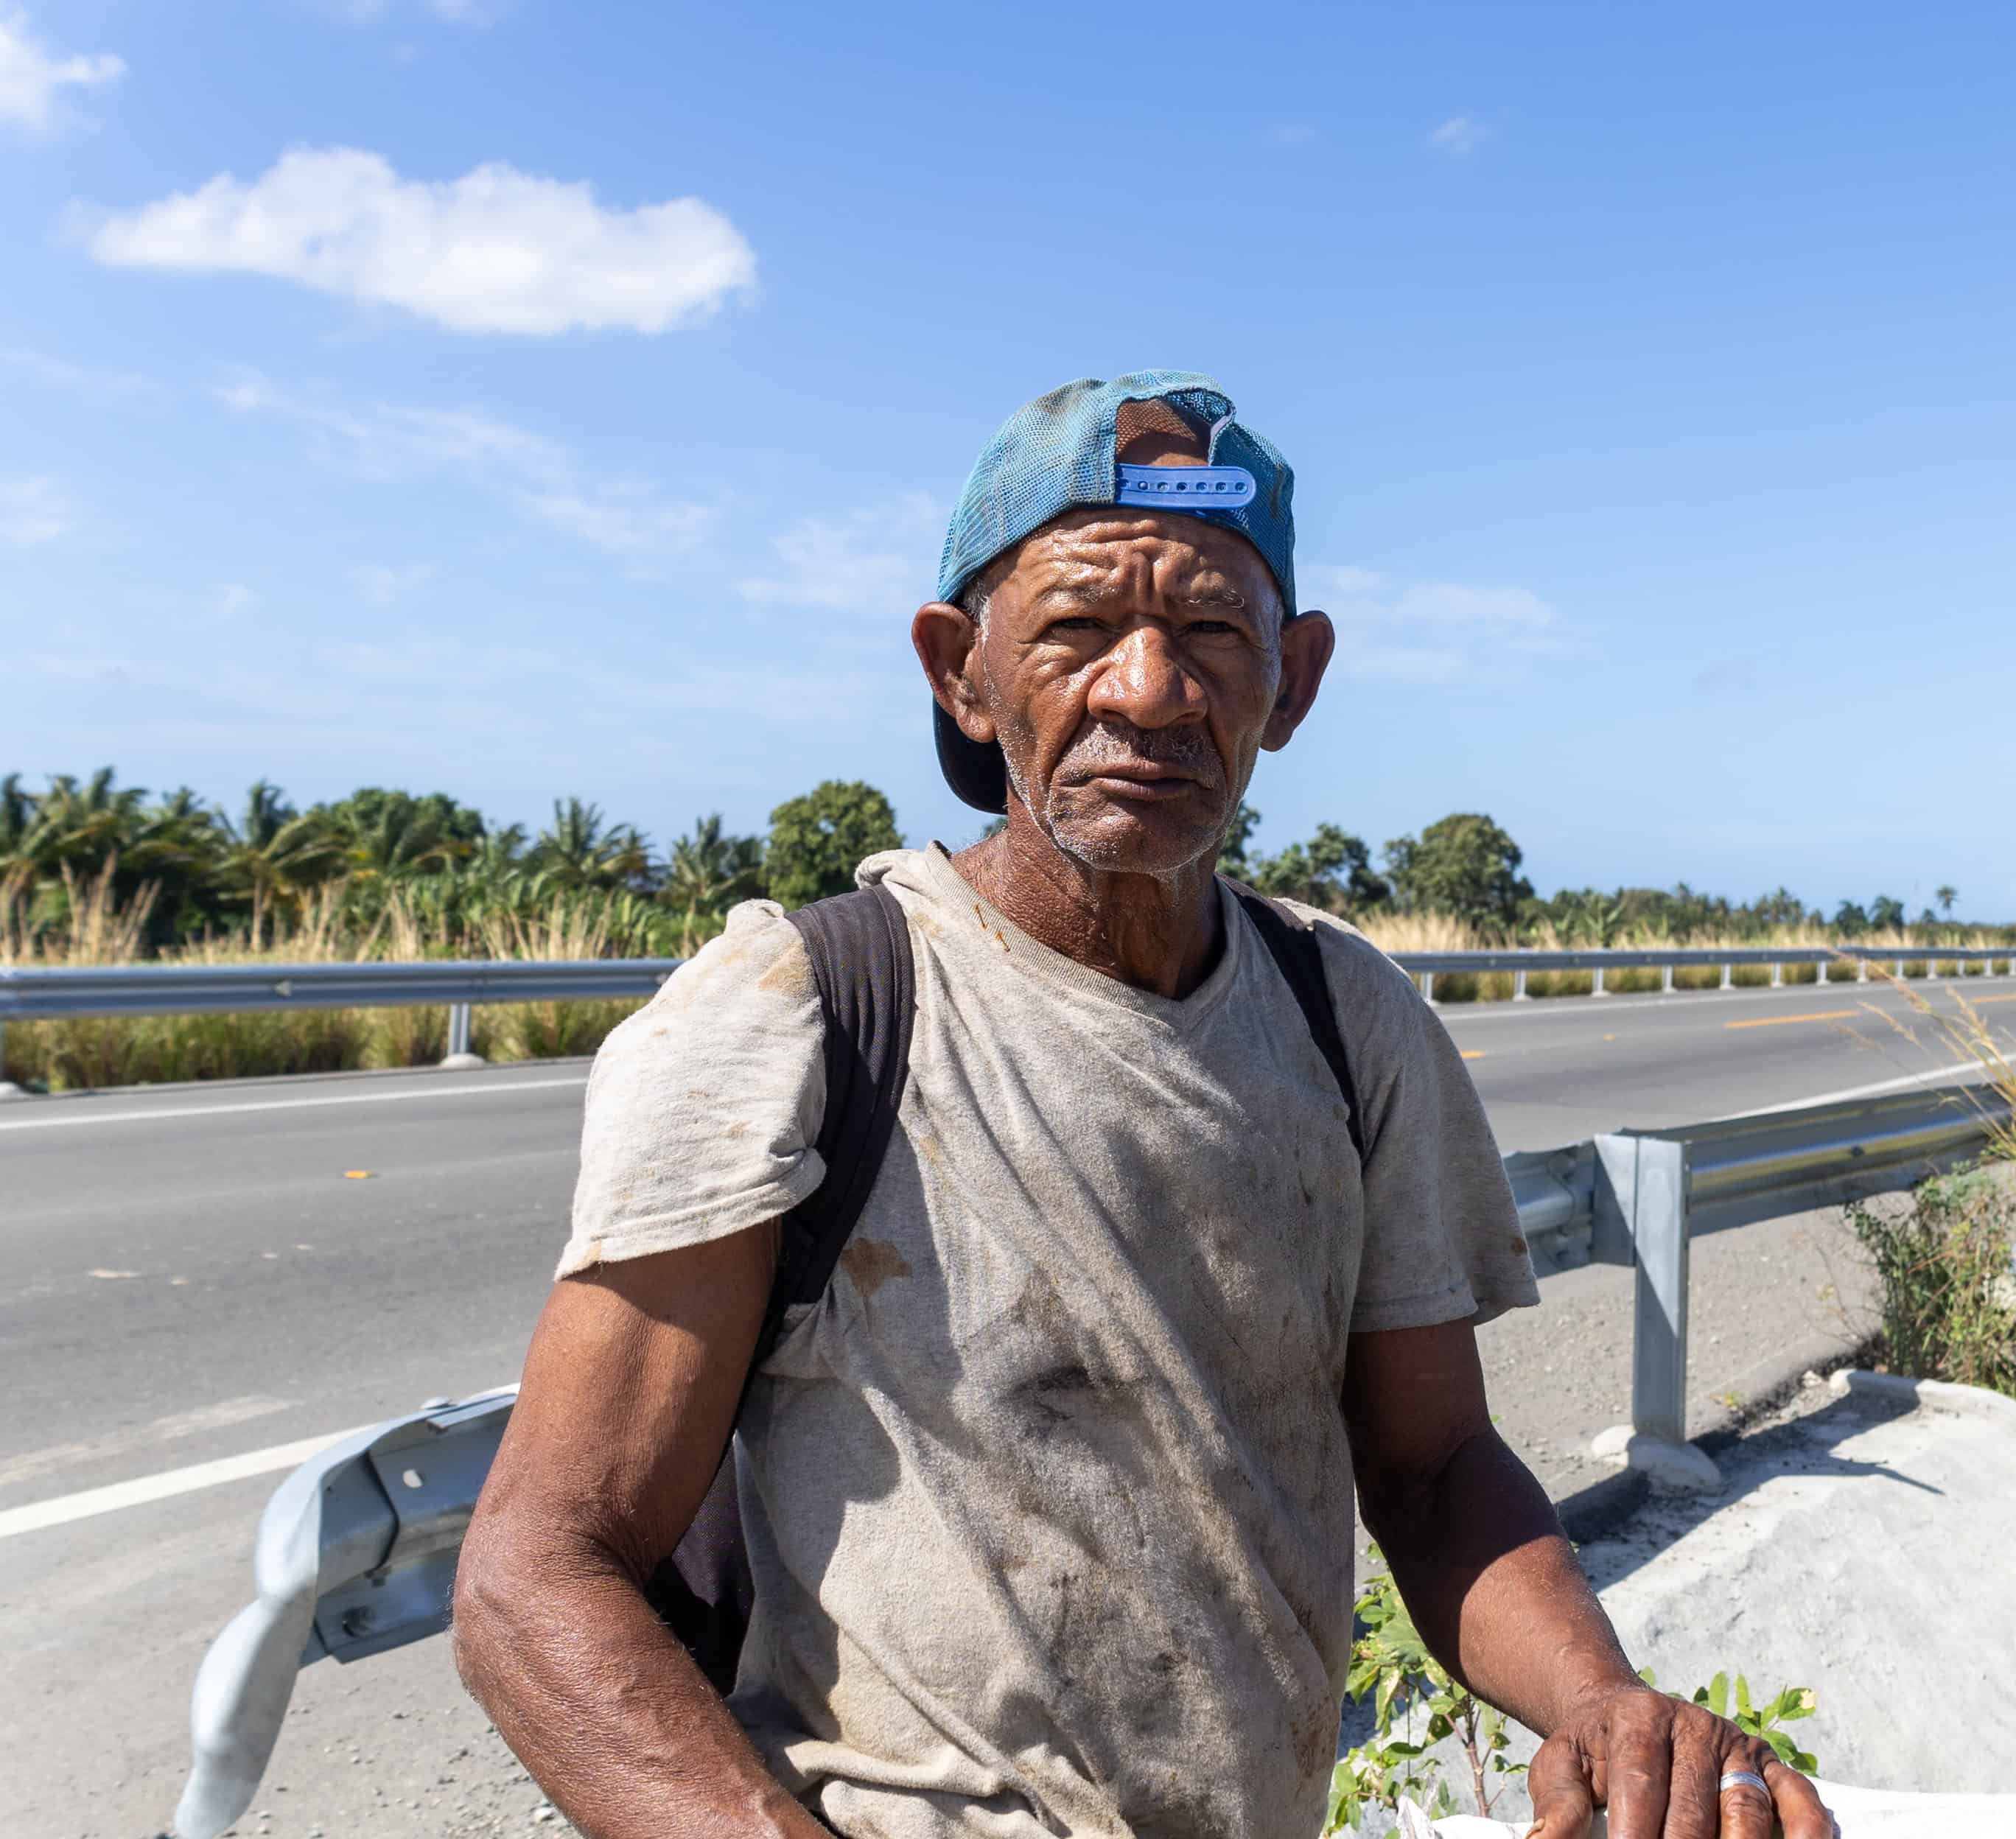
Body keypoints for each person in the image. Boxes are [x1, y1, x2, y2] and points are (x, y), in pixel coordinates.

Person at [451, 371, 1832, 1839]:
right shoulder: (797, 1012)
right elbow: (538, 1573)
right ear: (961, 672)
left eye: (1214, 633)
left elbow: (1429, 1474)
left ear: (1290, 681)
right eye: (1079, 628)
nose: (1151, 690)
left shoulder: (1348, 1018)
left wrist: (1599, 1700)